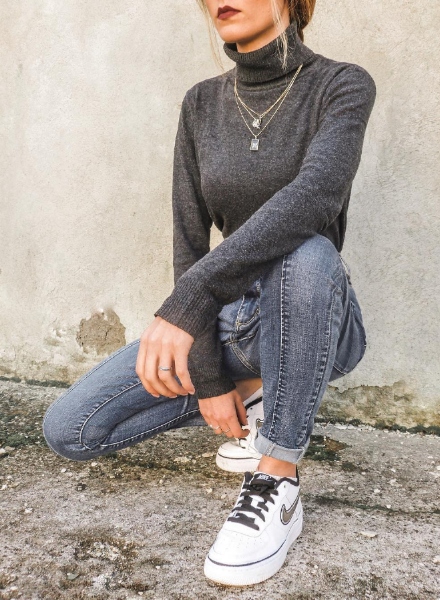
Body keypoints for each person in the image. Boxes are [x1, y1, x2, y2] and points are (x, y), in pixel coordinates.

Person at [42, 0, 376, 587]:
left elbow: (317, 197)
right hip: (231, 319)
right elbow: (189, 241)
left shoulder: (341, 85)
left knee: (307, 249)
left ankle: (277, 477)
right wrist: (211, 378)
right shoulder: (201, 103)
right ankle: (257, 393)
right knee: (71, 428)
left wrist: (186, 303)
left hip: (314, 308)